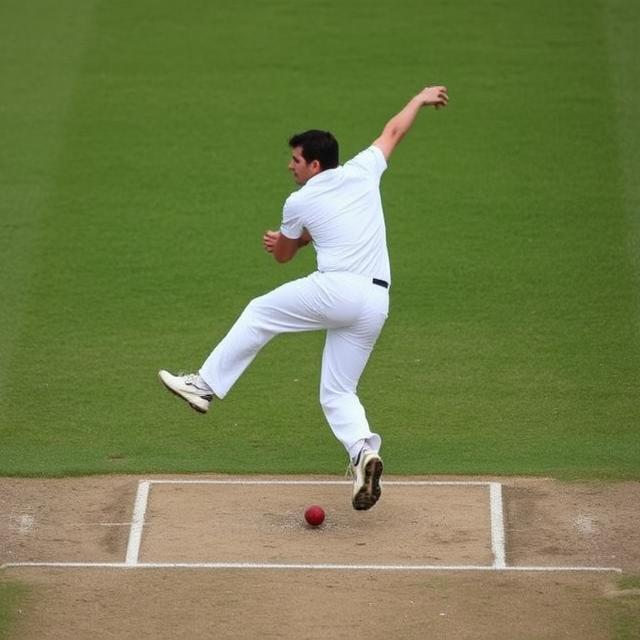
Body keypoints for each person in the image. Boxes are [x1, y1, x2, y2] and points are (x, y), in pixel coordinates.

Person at [159, 85, 449, 510]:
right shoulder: (363, 169)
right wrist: (420, 98)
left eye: (295, 159)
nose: (290, 166)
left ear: (314, 165)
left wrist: (285, 240)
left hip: (337, 289)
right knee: (337, 392)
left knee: (260, 312)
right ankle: (364, 453)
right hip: (376, 302)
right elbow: (393, 131)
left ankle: (204, 385)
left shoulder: (299, 200)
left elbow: (282, 257)